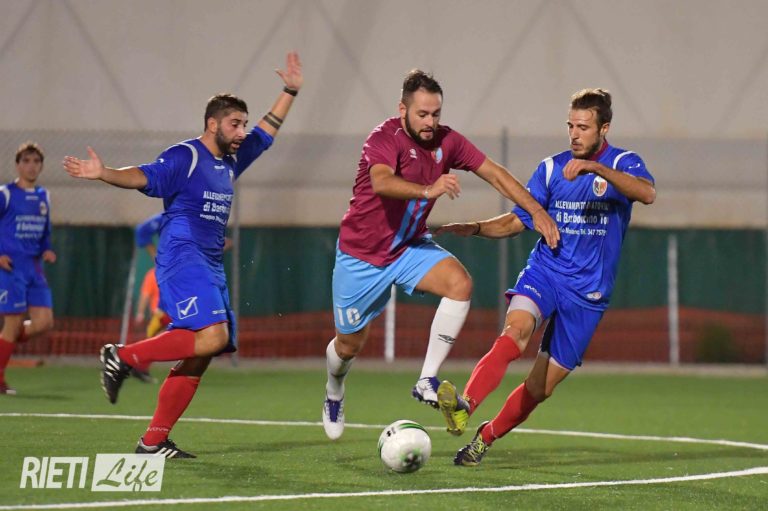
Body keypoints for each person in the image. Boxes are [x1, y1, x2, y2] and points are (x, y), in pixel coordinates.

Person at [63, 51, 303, 458]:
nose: (242, 131)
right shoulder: (186, 156)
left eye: (243, 123)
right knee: (212, 336)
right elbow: (145, 176)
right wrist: (104, 173)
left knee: (203, 352)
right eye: (235, 123)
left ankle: (152, 441)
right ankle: (123, 355)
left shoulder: (230, 160)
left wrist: (290, 91)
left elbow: (266, 134)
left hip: (209, 263)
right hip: (182, 256)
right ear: (212, 124)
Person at [322, 69, 560, 440]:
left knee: (459, 283)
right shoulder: (383, 138)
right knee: (349, 345)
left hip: (408, 247)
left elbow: (495, 174)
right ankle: (334, 388)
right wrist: (428, 189)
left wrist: (537, 211)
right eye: (422, 114)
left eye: (436, 114)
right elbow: (381, 181)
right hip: (361, 256)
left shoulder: (448, 141)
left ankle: (426, 380)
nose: (430, 122)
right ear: (402, 109)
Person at [434, 88, 656, 466]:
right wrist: (475, 227)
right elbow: (515, 221)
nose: (574, 134)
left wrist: (596, 169)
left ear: (604, 128)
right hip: (546, 272)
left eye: (583, 127)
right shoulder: (552, 169)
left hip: (588, 294)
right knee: (515, 331)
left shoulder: (623, 163)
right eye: (571, 126)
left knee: (540, 388)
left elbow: (647, 193)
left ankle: (485, 437)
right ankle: (464, 405)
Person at [0, 142, 57, 395]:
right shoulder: (6, 194)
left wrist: (47, 248)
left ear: (41, 166)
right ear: (17, 165)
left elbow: (45, 231)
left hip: (34, 267)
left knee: (44, 322)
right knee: (12, 323)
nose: (31, 166)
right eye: (26, 161)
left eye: (36, 161)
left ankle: (6, 341)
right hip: (10, 267)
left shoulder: (44, 196)